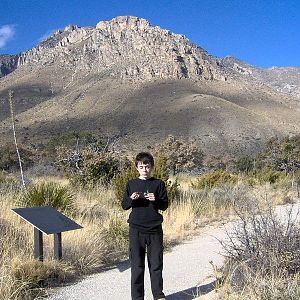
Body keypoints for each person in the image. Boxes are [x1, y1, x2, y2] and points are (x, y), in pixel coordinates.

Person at [122, 152, 168, 300]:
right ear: (137, 167)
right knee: (137, 266)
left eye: (147, 166)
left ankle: (158, 296)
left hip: (155, 229)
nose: (145, 169)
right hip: (136, 229)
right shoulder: (131, 184)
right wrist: (131, 199)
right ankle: (137, 298)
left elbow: (165, 205)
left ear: (152, 167)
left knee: (156, 265)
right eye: (141, 166)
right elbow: (124, 205)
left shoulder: (159, 184)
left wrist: (155, 200)